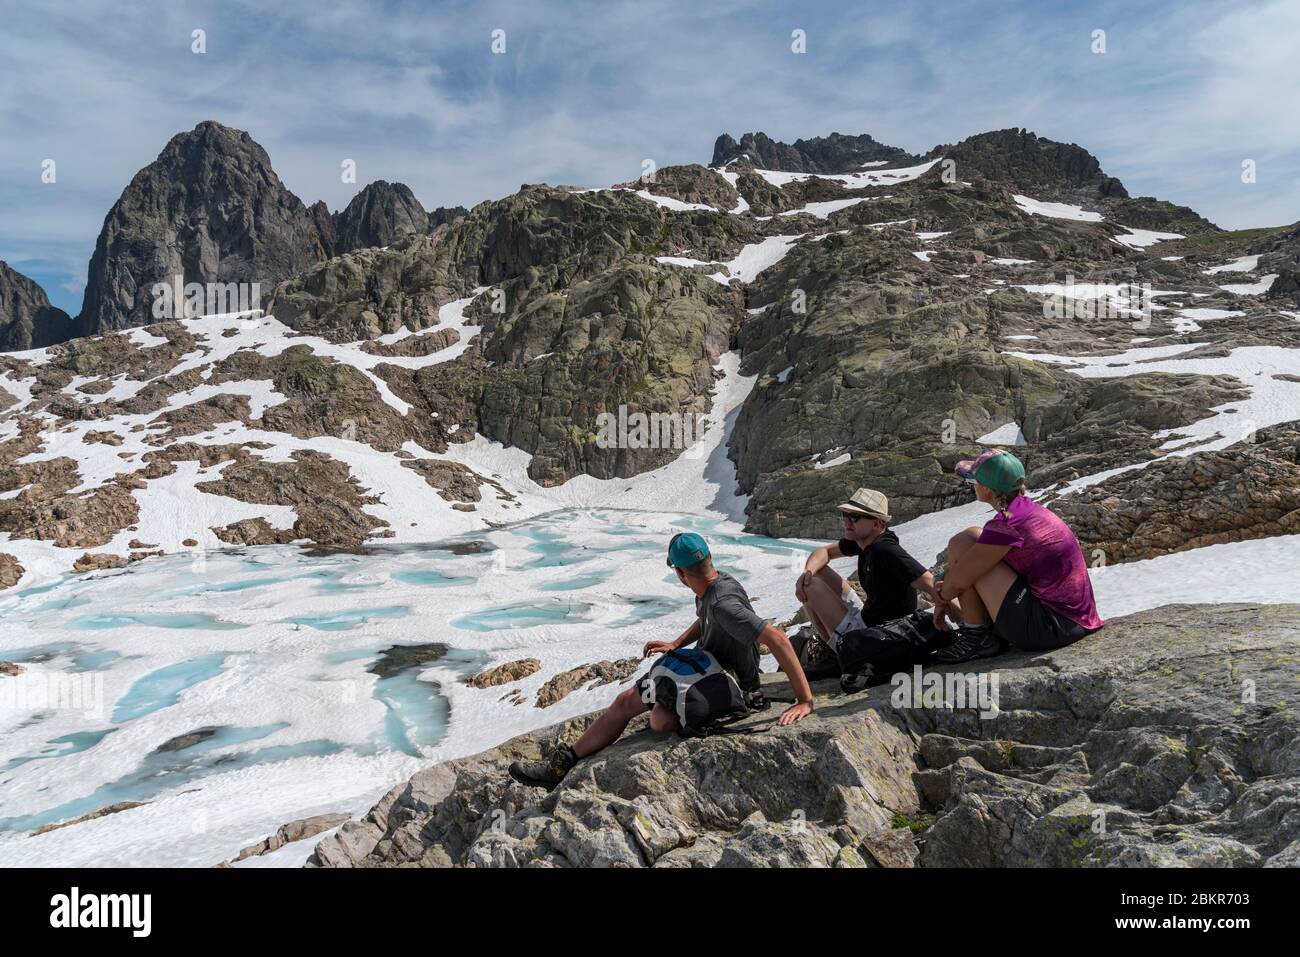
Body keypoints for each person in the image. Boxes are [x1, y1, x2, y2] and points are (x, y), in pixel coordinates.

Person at [508, 532, 815, 789]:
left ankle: (562, 765)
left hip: (723, 682)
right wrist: (676, 644)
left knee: (651, 716)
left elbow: (778, 638)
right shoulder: (717, 584)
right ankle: (564, 763)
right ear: (708, 559)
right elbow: (707, 617)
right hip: (707, 668)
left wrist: (804, 700)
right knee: (632, 704)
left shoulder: (722, 602)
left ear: (681, 573)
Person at [932, 448, 1104, 663]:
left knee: (964, 551)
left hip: (1052, 628)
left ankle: (977, 638)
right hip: (1073, 619)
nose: (972, 486)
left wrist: (941, 597)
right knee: (968, 538)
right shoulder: (1026, 511)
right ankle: (982, 633)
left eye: (972, 482)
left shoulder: (1007, 525)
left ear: (986, 490)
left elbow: (958, 583)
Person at [794, 487, 940, 655]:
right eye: (845, 515)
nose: (848, 522)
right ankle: (831, 647)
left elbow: (930, 582)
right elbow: (824, 552)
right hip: (868, 617)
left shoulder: (884, 549)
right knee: (815, 574)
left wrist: (956, 612)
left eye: (855, 517)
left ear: (877, 524)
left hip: (880, 635)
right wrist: (808, 572)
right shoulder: (863, 541)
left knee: (809, 587)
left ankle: (839, 652)